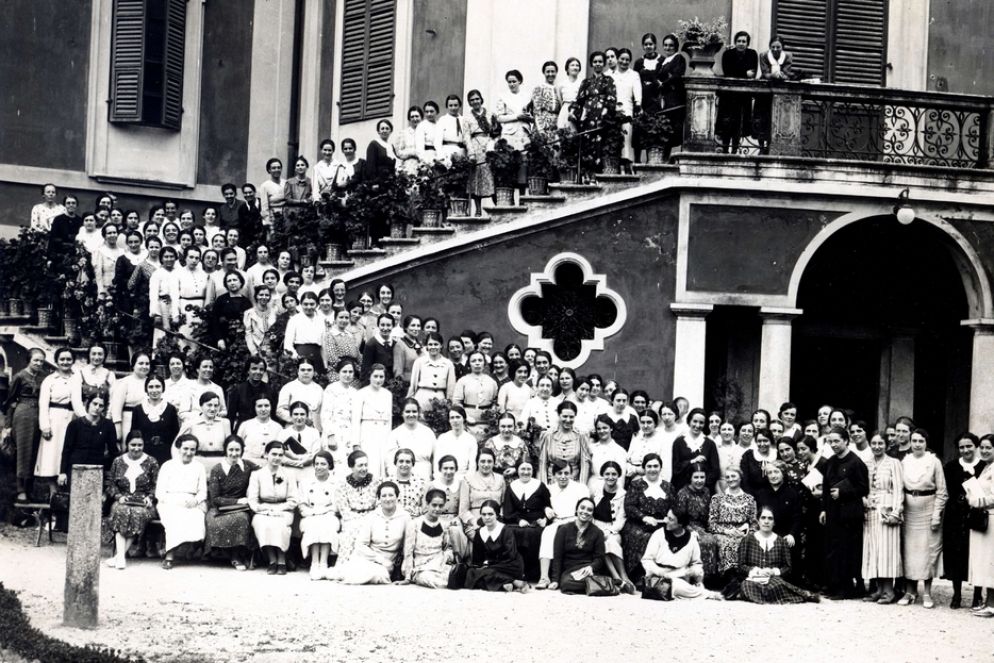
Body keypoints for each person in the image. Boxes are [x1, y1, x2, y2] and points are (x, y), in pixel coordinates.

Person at [725, 506, 820, 603]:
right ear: (758, 521)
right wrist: (756, 571)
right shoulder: (747, 540)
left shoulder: (781, 542)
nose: (766, 521)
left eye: (770, 518)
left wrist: (773, 571)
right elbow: (741, 566)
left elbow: (787, 568)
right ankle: (779, 596)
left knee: (778, 584)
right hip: (753, 579)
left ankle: (760, 596)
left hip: (773, 580)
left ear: (774, 522)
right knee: (746, 585)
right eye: (763, 518)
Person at [898, 428, 948, 608]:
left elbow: (942, 492)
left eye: (921, 441)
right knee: (909, 551)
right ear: (910, 442)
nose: (917, 444)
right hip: (909, 512)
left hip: (928, 510)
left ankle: (927, 592)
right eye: (914, 441)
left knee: (928, 551)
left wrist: (936, 515)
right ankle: (910, 591)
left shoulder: (934, 462)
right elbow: (899, 488)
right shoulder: (904, 461)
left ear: (926, 443)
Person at [820, 426, 870, 599]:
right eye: (830, 441)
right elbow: (825, 487)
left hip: (850, 514)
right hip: (833, 512)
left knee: (848, 550)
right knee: (833, 549)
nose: (833, 444)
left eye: (837, 441)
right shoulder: (830, 462)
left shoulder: (856, 462)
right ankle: (835, 585)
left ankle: (847, 588)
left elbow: (864, 488)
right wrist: (824, 509)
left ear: (846, 441)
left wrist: (843, 492)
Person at [331, 481, 409, 585]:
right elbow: (360, 545)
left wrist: (404, 564)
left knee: (378, 574)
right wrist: (381, 560)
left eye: (391, 495)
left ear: (397, 497)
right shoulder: (372, 517)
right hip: (368, 558)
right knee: (354, 570)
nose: (387, 499)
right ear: (379, 499)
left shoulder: (405, 517)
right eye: (384, 496)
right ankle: (336, 573)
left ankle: (344, 575)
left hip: (389, 563)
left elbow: (408, 545)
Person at [944, 432, 987, 608]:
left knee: (976, 553)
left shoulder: (984, 466)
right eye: (961, 447)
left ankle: (977, 595)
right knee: (956, 553)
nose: (965, 450)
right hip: (955, 514)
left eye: (969, 446)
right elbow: (948, 490)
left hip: (976, 513)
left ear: (975, 446)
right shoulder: (951, 466)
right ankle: (957, 594)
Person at [105, 433, 160, 570]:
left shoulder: (151, 462)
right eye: (133, 445)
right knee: (121, 511)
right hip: (123, 499)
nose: (136, 448)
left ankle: (119, 557)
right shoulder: (118, 461)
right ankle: (121, 557)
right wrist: (118, 496)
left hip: (143, 502)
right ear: (127, 445)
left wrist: (150, 497)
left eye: (140, 445)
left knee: (137, 514)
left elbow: (156, 484)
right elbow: (111, 484)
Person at [862, 429, 904, 604]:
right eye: (874, 443)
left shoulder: (894, 463)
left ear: (886, 445)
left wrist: (896, 512)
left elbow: (899, 489)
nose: (877, 446)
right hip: (870, 510)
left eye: (880, 443)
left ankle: (889, 591)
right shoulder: (866, 463)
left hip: (887, 509)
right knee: (874, 550)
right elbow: (863, 487)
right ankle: (879, 589)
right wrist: (864, 500)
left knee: (887, 550)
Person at [642, 508, 719, 600]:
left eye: (670, 519)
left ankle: (695, 591)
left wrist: (693, 572)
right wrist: (660, 571)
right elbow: (646, 560)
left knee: (680, 583)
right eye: (667, 517)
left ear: (680, 524)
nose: (666, 521)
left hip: (680, 576)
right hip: (658, 578)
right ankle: (706, 594)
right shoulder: (658, 534)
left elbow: (696, 563)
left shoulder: (691, 539)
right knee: (675, 585)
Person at [205, 435, 258, 571]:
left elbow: (264, 472)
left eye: (237, 450)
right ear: (225, 450)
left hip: (243, 507)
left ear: (242, 450)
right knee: (218, 520)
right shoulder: (217, 469)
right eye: (231, 450)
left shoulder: (248, 466)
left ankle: (241, 555)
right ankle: (228, 555)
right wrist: (236, 501)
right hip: (220, 507)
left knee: (242, 518)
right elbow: (214, 498)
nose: (234, 453)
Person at [156, 434, 208, 569]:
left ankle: (189, 549)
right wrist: (173, 501)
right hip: (169, 501)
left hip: (191, 502)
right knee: (174, 518)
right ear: (179, 448)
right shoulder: (167, 465)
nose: (189, 452)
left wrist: (195, 500)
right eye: (185, 448)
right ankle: (170, 555)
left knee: (197, 517)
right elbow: (159, 492)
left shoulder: (199, 467)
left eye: (192, 449)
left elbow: (202, 491)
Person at [248, 441, 299, 575]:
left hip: (284, 510)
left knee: (280, 525)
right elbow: (252, 500)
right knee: (263, 524)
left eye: (280, 455)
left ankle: (281, 560)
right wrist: (262, 509)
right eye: (274, 454)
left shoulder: (289, 474)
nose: (277, 458)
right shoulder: (257, 475)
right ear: (266, 455)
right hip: (263, 510)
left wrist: (279, 509)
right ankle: (272, 560)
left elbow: (294, 499)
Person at [621, 453, 674, 580]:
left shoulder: (668, 486)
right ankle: (640, 576)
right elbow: (629, 506)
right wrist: (644, 517)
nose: (652, 469)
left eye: (656, 466)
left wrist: (669, 517)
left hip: (661, 524)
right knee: (644, 537)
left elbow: (674, 507)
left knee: (667, 538)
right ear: (644, 468)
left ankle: (662, 576)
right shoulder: (636, 485)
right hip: (638, 523)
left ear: (660, 468)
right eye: (649, 466)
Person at [464, 499, 529, 593]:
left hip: (510, 565)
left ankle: (508, 581)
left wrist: (489, 565)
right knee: (471, 573)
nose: (487, 517)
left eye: (490, 514)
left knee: (483, 574)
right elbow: (477, 560)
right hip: (491, 567)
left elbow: (510, 555)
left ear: (497, 515)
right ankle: (509, 583)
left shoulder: (505, 530)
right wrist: (481, 566)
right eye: (484, 514)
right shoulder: (480, 532)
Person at [571, 51, 618, 175]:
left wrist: (605, 114)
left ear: (604, 63)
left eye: (600, 61)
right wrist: (575, 113)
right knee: (586, 147)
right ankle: (587, 176)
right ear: (592, 64)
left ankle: (598, 176)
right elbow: (579, 100)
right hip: (587, 119)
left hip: (602, 119)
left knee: (600, 146)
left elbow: (611, 99)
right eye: (595, 61)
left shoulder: (608, 80)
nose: (598, 64)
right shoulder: (586, 82)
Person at [36, 348, 76, 491]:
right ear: (57, 361)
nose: (65, 362)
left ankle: (67, 491)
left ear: (73, 361)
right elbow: (43, 404)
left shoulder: (76, 378)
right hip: (54, 419)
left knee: (67, 451)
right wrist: (45, 426)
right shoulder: (50, 380)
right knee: (52, 454)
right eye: (62, 359)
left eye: (68, 359)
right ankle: (54, 492)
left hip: (71, 418)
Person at [57, 392, 117, 488]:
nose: (97, 408)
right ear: (88, 404)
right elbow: (67, 450)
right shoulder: (75, 425)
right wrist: (62, 472)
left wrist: (110, 472)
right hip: (76, 467)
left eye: (101, 405)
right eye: (94, 404)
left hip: (97, 468)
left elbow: (113, 451)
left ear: (104, 408)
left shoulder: (108, 425)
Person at [400, 489, 458, 588]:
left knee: (455, 576)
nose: (437, 509)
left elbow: (448, 547)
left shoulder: (444, 524)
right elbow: (408, 551)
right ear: (427, 504)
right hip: (422, 568)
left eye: (441, 506)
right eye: (434, 505)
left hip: (440, 565)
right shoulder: (415, 524)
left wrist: (446, 557)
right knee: (429, 579)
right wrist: (407, 577)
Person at [547, 497, 606, 593]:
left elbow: (599, 558)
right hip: (570, 570)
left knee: (568, 583)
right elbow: (558, 556)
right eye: (582, 508)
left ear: (592, 514)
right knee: (566, 583)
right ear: (576, 509)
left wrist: (591, 567)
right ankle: (601, 585)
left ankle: (598, 584)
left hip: (588, 569)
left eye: (589, 510)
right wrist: (555, 580)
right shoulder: (563, 529)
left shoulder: (597, 532)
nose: (585, 512)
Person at [298, 450, 340, 580]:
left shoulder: (336, 483)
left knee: (327, 524)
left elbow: (337, 505)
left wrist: (323, 512)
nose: (319, 467)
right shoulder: (305, 482)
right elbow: (302, 505)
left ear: (330, 465)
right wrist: (312, 512)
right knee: (313, 525)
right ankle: (314, 563)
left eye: (323, 464)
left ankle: (324, 563)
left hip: (329, 515)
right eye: (316, 464)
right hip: (310, 515)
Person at [716, 30, 759, 154]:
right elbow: (728, 71)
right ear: (735, 42)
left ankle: (735, 150)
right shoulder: (727, 54)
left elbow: (753, 73)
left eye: (744, 41)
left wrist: (739, 71)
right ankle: (724, 149)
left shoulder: (752, 54)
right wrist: (744, 72)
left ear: (747, 43)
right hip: (728, 95)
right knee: (726, 123)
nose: (741, 43)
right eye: (739, 41)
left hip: (743, 95)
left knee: (739, 124)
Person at [709, 467, 758, 574]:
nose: (730, 479)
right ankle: (730, 577)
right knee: (729, 544)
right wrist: (727, 531)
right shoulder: (717, 498)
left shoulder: (749, 499)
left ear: (740, 478)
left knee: (749, 543)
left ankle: (746, 577)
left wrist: (747, 533)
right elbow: (711, 524)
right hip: (723, 533)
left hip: (743, 533)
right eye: (727, 477)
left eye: (733, 476)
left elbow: (754, 523)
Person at [334, 450, 379, 563]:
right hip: (351, 518)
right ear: (351, 467)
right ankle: (345, 565)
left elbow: (379, 503)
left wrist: (371, 518)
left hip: (372, 516)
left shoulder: (375, 481)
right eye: (360, 465)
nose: (364, 468)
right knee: (350, 533)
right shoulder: (342, 484)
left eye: (366, 465)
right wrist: (359, 521)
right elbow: (343, 508)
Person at [675, 464, 720, 579]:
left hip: (704, 527)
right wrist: (690, 531)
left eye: (702, 477)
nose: (699, 480)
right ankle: (697, 577)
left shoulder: (706, 491)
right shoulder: (683, 493)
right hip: (686, 526)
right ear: (690, 478)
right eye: (696, 477)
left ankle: (709, 578)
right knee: (706, 541)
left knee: (716, 539)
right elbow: (680, 519)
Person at [754, 36, 796, 153]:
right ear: (770, 47)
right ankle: (761, 147)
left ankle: (771, 147)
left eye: (778, 47)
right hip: (764, 91)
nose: (775, 49)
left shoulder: (788, 56)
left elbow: (787, 72)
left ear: (782, 47)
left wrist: (782, 75)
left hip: (779, 90)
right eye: (773, 47)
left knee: (775, 118)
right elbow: (765, 72)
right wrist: (772, 75)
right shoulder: (763, 55)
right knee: (762, 118)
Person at [495, 69, 533, 200]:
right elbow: (499, 117)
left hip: (523, 133)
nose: (511, 84)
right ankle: (508, 199)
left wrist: (528, 118)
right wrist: (517, 116)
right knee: (509, 164)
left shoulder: (527, 96)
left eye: (514, 81)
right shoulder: (503, 97)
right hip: (509, 134)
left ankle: (522, 198)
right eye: (509, 82)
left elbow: (532, 115)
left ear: (520, 81)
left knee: (523, 163)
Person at [967, 435, 994, 616]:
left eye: (988, 448)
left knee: (991, 561)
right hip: (985, 518)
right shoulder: (986, 467)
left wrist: (976, 501)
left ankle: (992, 605)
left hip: (991, 518)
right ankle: (987, 601)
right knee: (985, 561)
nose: (984, 451)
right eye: (982, 447)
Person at [350, 363, 392, 477]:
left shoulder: (388, 394)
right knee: (370, 463)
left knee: (384, 464)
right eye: (375, 376)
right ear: (370, 376)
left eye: (381, 376)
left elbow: (389, 421)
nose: (378, 380)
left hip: (383, 434)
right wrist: (356, 443)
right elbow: (355, 420)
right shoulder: (361, 393)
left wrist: (390, 440)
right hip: (368, 433)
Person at [537, 400, 592, 486]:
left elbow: (585, 464)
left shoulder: (581, 436)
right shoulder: (548, 435)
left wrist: (582, 487)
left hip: (574, 483)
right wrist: (544, 487)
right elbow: (542, 463)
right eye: (565, 416)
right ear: (559, 415)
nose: (568, 420)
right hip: (552, 484)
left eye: (571, 417)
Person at [129, 375, 180, 465]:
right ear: (146, 389)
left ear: (163, 388)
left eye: (157, 386)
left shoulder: (170, 409)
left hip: (165, 455)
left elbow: (175, 435)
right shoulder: (138, 410)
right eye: (151, 387)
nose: (154, 390)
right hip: (143, 455)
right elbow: (134, 436)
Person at [319, 358, 360, 471]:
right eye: (344, 371)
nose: (347, 375)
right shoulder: (331, 389)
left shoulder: (355, 392)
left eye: (350, 372)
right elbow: (326, 414)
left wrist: (355, 441)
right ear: (338, 373)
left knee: (347, 466)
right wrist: (330, 436)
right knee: (333, 464)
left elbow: (356, 418)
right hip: (334, 432)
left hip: (349, 434)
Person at [459, 448, 506, 540]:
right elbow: (463, 511)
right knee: (484, 538)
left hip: (496, 522)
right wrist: (475, 522)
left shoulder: (500, 479)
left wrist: (498, 521)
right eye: (482, 461)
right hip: (475, 523)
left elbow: (504, 505)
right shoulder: (468, 479)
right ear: (477, 462)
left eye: (489, 461)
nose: (486, 464)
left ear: (494, 463)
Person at [386, 399, 436, 481]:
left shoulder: (428, 432)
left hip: (425, 475)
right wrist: (396, 479)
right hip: (402, 477)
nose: (411, 414)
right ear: (402, 413)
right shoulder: (395, 434)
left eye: (414, 411)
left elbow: (436, 458)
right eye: (408, 412)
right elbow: (390, 462)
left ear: (418, 413)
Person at [464, 90, 496, 216]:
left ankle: (496, 206)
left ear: (481, 99)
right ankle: (478, 209)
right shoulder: (467, 118)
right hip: (475, 146)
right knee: (476, 178)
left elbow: (496, 131)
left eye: (477, 99)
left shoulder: (490, 114)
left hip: (489, 145)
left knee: (492, 176)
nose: (475, 101)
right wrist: (471, 152)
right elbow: (466, 136)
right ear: (469, 102)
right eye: (472, 100)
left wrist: (493, 144)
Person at [671, 408, 720, 491]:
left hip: (703, 491)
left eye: (701, 422)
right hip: (682, 489)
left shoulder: (710, 444)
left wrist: (700, 485)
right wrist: (692, 461)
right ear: (689, 421)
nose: (697, 425)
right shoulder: (678, 442)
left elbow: (715, 471)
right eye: (695, 421)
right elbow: (676, 469)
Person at [110, 352, 152, 446]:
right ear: (133, 365)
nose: (144, 366)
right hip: (128, 421)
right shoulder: (124, 382)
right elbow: (116, 408)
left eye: (147, 364)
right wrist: (118, 428)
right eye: (141, 363)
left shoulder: (151, 382)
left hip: (147, 422)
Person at [69, 343, 117, 418]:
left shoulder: (110, 375)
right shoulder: (80, 373)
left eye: (100, 354)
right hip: (82, 418)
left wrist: (107, 419)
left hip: (103, 419)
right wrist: (85, 418)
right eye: (93, 354)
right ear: (89, 355)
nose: (96, 357)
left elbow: (113, 400)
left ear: (104, 355)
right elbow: (76, 400)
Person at [276, 359, 323, 430]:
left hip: (314, 429)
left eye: (309, 370)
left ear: (313, 372)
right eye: (303, 370)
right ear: (298, 371)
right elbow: (280, 411)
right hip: (293, 428)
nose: (306, 372)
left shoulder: (319, 389)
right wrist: (300, 418)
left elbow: (322, 411)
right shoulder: (288, 387)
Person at [433, 406, 478, 478]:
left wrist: (467, 480)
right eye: (452, 418)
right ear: (449, 420)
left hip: (463, 477)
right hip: (444, 477)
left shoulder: (471, 439)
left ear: (464, 419)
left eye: (458, 417)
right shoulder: (442, 438)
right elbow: (437, 462)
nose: (455, 420)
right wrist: (439, 478)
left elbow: (472, 465)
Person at [484, 413, 527, 481]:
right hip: (494, 481)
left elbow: (526, 464)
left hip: (516, 482)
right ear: (498, 427)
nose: (506, 430)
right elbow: (484, 464)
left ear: (514, 426)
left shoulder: (520, 443)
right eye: (503, 426)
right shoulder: (490, 443)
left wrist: (516, 469)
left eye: (509, 426)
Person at [741, 427, 779, 495]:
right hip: (752, 494)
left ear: (771, 441)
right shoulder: (748, 455)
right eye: (759, 441)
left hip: (774, 494)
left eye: (765, 441)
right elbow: (744, 480)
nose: (762, 444)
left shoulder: (777, 455)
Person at [531, 61, 563, 136]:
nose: (550, 74)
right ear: (544, 73)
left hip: (555, 126)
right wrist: (540, 129)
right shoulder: (539, 88)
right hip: (543, 125)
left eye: (553, 71)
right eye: (548, 72)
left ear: (556, 72)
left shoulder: (558, 88)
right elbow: (536, 111)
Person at [393, 106, 422, 175]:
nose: (415, 119)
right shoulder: (404, 133)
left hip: (423, 165)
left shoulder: (425, 133)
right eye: (412, 117)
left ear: (421, 117)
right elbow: (398, 152)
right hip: (409, 166)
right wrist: (412, 153)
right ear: (409, 119)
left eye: (417, 116)